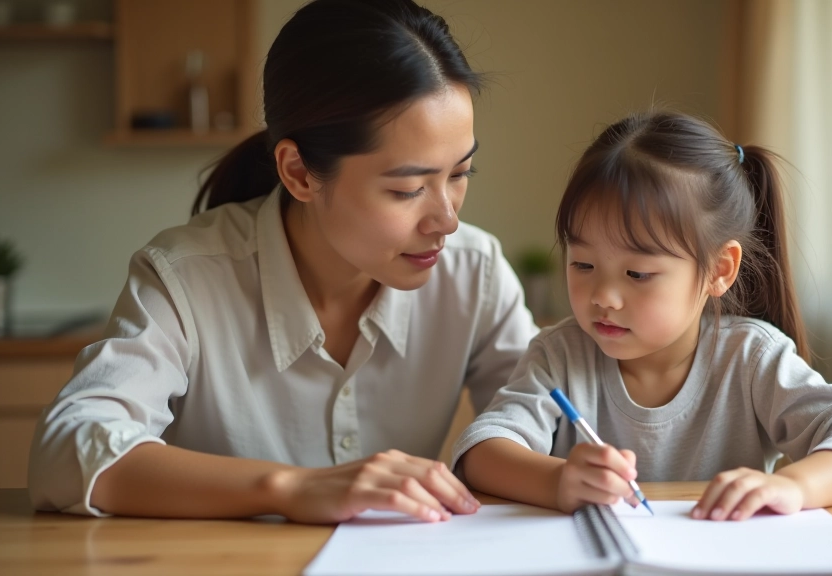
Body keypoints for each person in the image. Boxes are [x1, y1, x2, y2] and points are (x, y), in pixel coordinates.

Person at [27, 0, 539, 525]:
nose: (447, 221)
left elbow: (547, 415)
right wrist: (290, 488)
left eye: (461, 175)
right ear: (298, 173)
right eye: (408, 189)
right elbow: (67, 453)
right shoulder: (187, 277)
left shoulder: (473, 272)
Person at [454, 110, 832, 521]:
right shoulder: (560, 354)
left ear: (718, 270)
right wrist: (557, 481)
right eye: (583, 265)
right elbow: (481, 451)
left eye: (637, 273)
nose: (604, 297)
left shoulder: (751, 357)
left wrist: (793, 485)